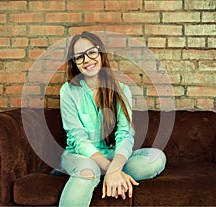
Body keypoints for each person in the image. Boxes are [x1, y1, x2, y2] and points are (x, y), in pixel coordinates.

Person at [59, 31, 166, 207]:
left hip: (112, 155)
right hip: (79, 155)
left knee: (156, 157)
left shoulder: (121, 89)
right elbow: (78, 139)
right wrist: (113, 169)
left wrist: (115, 165)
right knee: (88, 170)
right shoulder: (68, 91)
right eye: (79, 57)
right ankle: (104, 175)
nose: (87, 59)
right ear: (74, 63)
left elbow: (124, 134)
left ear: (101, 53)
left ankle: (107, 175)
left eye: (91, 52)